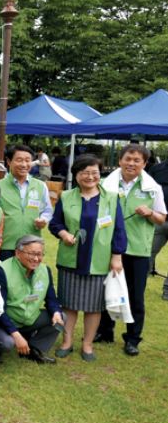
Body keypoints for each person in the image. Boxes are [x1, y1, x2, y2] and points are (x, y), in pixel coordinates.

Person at [49, 154, 126, 362]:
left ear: (100, 174)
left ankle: (88, 344)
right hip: (71, 259)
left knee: (93, 306)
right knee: (69, 304)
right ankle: (67, 341)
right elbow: (55, 224)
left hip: (98, 260)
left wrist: (116, 256)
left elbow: (119, 229)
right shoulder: (66, 197)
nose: (90, 177)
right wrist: (63, 234)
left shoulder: (111, 198)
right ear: (76, 175)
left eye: (94, 172)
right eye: (85, 172)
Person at [96, 144, 166, 355]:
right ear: (120, 160)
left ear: (144, 164)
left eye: (137, 160)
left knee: (135, 296)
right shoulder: (104, 184)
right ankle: (105, 331)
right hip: (107, 248)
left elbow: (162, 219)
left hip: (137, 250)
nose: (131, 163)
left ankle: (132, 338)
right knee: (105, 290)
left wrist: (149, 214)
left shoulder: (153, 188)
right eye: (128, 159)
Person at [0, 235, 63, 363]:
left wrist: (56, 313)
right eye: (32, 254)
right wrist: (15, 334)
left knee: (61, 317)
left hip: (30, 318)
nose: (36, 259)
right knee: (7, 343)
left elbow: (51, 298)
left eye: (40, 254)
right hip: (6, 321)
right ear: (18, 253)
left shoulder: (45, 270)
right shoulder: (2, 271)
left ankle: (34, 349)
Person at [0, 145, 53, 261]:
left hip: (32, 244)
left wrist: (44, 220)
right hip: (6, 245)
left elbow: (47, 210)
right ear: (8, 161)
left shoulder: (40, 186)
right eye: (19, 160)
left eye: (28, 160)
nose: (24, 164)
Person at [148, 157, 168, 300]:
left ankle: (167, 291)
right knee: (146, 254)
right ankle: (135, 287)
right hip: (158, 220)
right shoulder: (157, 169)